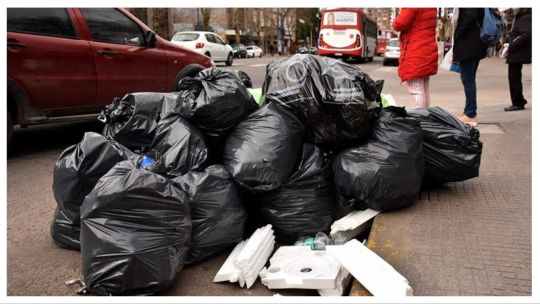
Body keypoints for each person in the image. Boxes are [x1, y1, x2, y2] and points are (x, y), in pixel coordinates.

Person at [392, 8, 438, 108]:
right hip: (427, 49)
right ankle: (425, 117)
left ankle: (420, 119)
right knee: (423, 89)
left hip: (417, 51)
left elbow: (400, 23)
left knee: (416, 89)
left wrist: (394, 21)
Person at [453, 8, 488, 126]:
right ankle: (468, 111)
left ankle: (471, 114)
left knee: (467, 80)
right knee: (470, 79)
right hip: (475, 44)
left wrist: (458, 33)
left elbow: (469, 15)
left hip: (469, 45)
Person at [504, 8, 531, 111]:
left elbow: (526, 35)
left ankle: (518, 102)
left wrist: (512, 45)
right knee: (514, 78)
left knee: (514, 78)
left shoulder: (525, 18)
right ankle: (518, 101)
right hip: (517, 53)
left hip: (518, 53)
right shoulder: (522, 17)